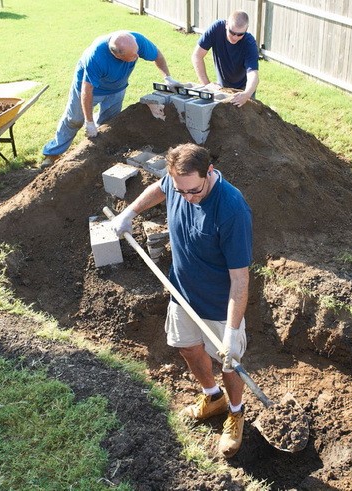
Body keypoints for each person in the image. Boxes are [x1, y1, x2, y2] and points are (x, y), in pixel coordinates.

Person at [110, 143, 253, 458]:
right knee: (187, 347)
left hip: (219, 304)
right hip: (182, 291)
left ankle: (235, 411)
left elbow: (240, 279)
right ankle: (211, 396)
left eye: (193, 191)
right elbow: (160, 190)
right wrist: (131, 212)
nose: (187, 197)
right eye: (181, 190)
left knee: (229, 362)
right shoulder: (178, 184)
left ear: (210, 173)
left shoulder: (231, 208)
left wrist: (230, 330)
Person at [40, 31, 180, 168]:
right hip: (91, 89)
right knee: (74, 120)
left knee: (107, 122)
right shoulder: (96, 57)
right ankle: (53, 153)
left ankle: (98, 154)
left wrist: (167, 78)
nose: (137, 56)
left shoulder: (136, 41)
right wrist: (88, 122)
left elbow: (157, 55)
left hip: (117, 87)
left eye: (137, 52)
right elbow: (86, 91)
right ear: (117, 55)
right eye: (133, 56)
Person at [191, 10, 259, 107]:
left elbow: (253, 74)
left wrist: (246, 94)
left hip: (244, 89)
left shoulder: (249, 43)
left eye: (240, 34)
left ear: (246, 29)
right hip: (222, 87)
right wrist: (207, 84)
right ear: (226, 24)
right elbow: (197, 56)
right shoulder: (216, 29)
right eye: (232, 32)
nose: (235, 37)